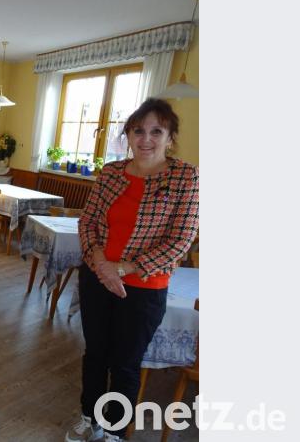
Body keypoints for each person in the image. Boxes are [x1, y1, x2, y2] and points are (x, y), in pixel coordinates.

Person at [65, 98, 199, 442]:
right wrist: (100, 262)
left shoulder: (186, 176)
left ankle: (114, 431)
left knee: (126, 363)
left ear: (170, 137)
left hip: (144, 287)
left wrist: (122, 268)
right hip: (96, 276)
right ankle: (89, 418)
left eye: (157, 131)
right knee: (95, 354)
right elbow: (89, 220)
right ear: (129, 135)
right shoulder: (111, 172)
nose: (146, 139)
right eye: (138, 130)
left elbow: (180, 240)